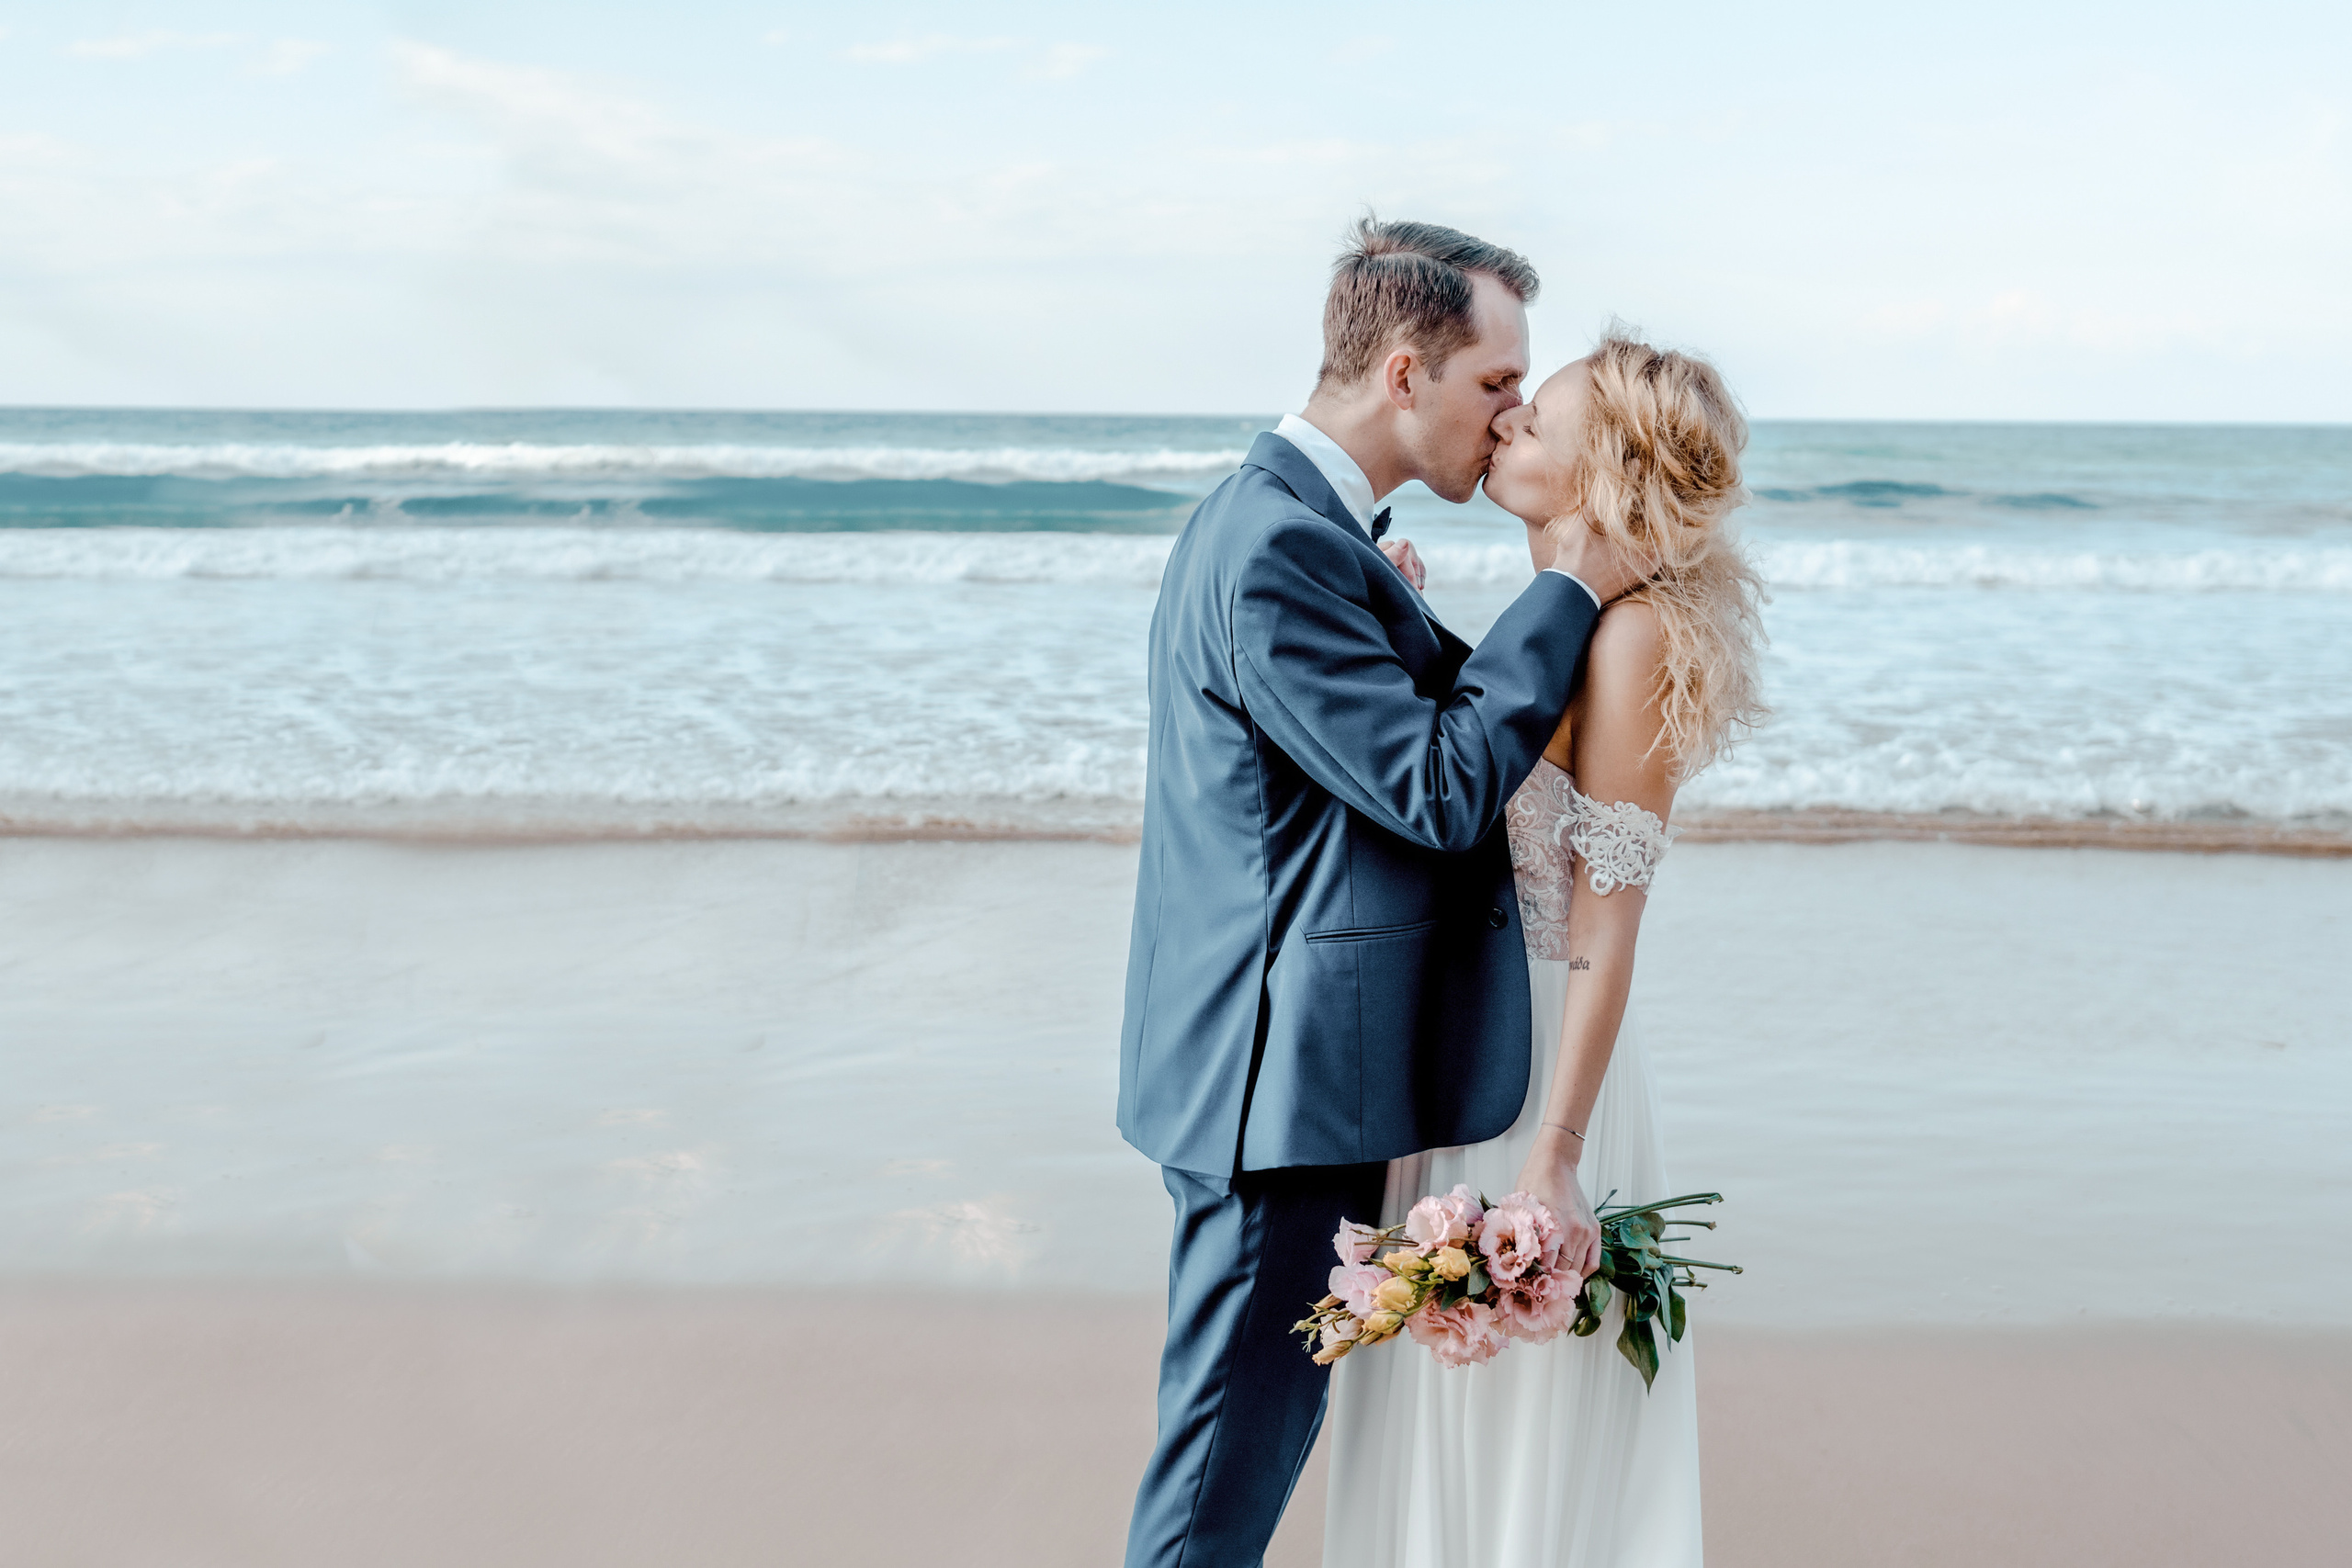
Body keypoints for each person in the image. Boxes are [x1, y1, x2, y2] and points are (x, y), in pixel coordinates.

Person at [1116, 219, 1656, 1568]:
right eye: (1493, 385)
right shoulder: (1279, 550)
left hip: (1277, 1076)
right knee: (1215, 1502)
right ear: (1406, 373)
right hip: (1274, 1097)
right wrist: (1579, 585)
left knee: (1236, 1476)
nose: (1511, 416)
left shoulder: (1305, 536)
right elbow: (1434, 789)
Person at [1322, 331, 1766, 1567]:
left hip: (1538, 1081)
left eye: (1541, 414)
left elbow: (1605, 930)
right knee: (1436, 1416)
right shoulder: (1555, 620)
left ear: (1605, 466)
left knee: (1518, 1427)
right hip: (1465, 1055)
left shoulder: (1633, 641)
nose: (1509, 422)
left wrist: (1556, 1161)